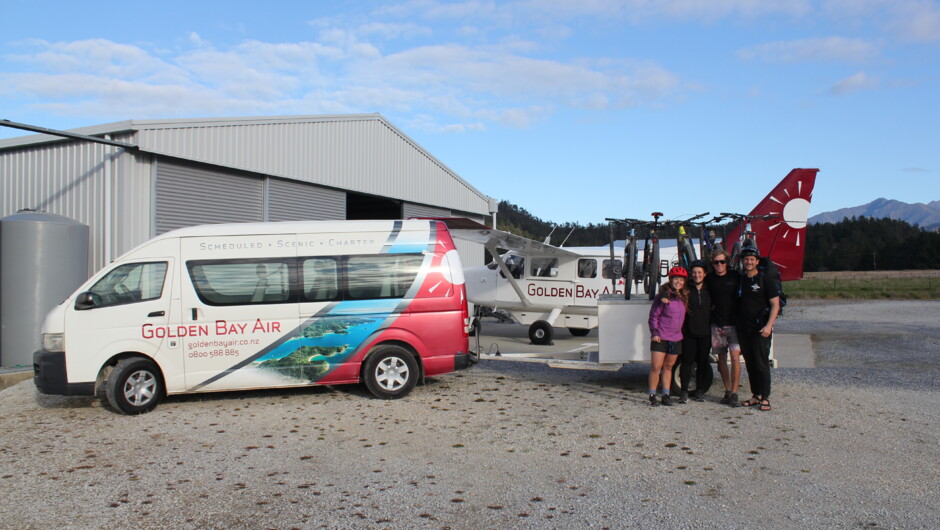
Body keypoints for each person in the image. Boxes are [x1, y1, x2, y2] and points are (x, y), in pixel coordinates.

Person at [736, 246, 781, 411]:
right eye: (746, 259)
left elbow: (775, 304)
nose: (748, 262)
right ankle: (755, 395)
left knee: (761, 363)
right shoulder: (742, 280)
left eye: (751, 259)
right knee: (750, 363)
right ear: (742, 261)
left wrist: (769, 326)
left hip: (760, 329)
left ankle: (765, 397)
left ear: (757, 262)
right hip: (744, 329)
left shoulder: (765, 280)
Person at [705, 249, 743, 406]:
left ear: (727, 263)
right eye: (716, 262)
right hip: (717, 325)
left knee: (734, 358)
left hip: (734, 324)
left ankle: (734, 392)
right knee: (721, 359)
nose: (719, 265)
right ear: (712, 264)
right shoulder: (709, 279)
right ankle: (727, 390)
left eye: (722, 262)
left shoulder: (735, 277)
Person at [647, 266, 688, 407]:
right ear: (671, 280)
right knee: (656, 367)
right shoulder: (663, 297)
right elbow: (654, 316)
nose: (678, 282)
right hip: (661, 337)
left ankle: (666, 394)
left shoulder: (683, 297)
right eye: (676, 279)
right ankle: (652, 395)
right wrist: (655, 333)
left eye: (681, 280)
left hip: (676, 338)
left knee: (669, 367)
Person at [678, 260, 712, 403]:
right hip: (689, 332)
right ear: (691, 275)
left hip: (705, 332)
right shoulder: (685, 289)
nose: (697, 275)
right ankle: (684, 391)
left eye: (699, 272)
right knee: (687, 362)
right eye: (694, 273)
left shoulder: (710, 289)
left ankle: (700, 391)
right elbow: (669, 290)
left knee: (702, 363)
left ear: (704, 274)